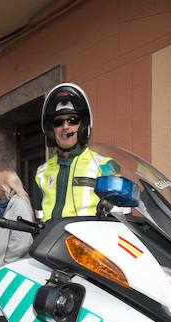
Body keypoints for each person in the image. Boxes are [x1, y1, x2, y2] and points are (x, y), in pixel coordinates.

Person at [32, 83, 118, 222]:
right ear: (51, 131)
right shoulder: (41, 172)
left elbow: (121, 214)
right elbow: (39, 218)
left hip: (90, 235)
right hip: (52, 236)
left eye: (73, 120)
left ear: (83, 127)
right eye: (58, 122)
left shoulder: (105, 166)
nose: (65, 127)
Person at [0, 170, 34, 275]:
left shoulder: (19, 204)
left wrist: (4, 263)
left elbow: (22, 241)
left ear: (3, 186)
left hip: (11, 271)